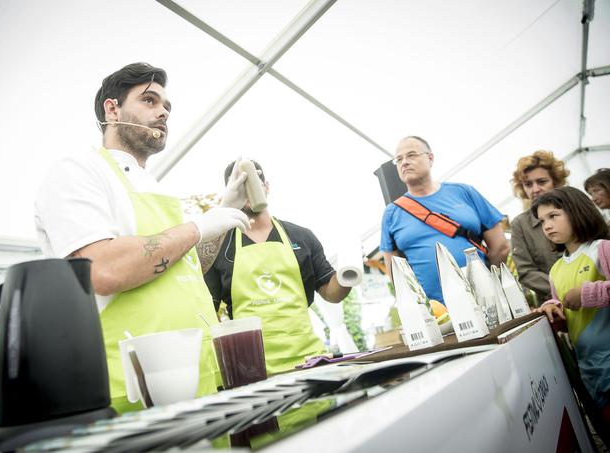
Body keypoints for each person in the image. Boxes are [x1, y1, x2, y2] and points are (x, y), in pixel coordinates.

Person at [35, 62, 251, 413]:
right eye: (149, 101)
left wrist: (222, 217)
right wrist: (197, 227)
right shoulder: (78, 171)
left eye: (167, 107)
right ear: (112, 108)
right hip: (131, 393)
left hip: (199, 383)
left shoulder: (155, 186)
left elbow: (187, 268)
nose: (163, 112)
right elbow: (102, 269)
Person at [204, 159, 354, 375]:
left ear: (266, 186)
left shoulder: (301, 236)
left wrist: (347, 274)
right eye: (239, 183)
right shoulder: (219, 245)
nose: (248, 188)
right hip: (251, 367)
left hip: (309, 361)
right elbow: (208, 309)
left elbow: (331, 293)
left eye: (254, 180)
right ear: (229, 193)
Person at [380, 136, 509, 303]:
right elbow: (395, 272)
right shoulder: (391, 213)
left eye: (411, 155)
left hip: (487, 298)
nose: (404, 162)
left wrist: (487, 284)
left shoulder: (464, 192)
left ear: (430, 158)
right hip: (438, 313)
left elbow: (501, 247)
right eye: (398, 159)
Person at [533, 187, 610, 427]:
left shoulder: (603, 249)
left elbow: (585, 296)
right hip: (590, 370)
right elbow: (567, 318)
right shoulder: (556, 270)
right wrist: (553, 311)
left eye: (553, 216)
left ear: (577, 211)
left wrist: (588, 293)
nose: (546, 226)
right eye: (542, 221)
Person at [510, 150, 569, 304]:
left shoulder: (575, 208)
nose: (535, 189)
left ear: (555, 181)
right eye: (528, 184)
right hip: (556, 305)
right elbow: (526, 272)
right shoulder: (520, 225)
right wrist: (564, 288)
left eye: (542, 182)